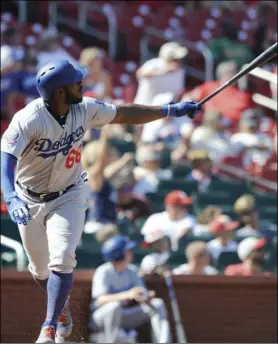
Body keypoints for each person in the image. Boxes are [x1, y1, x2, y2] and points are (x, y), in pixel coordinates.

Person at [0, 59, 200, 343]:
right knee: (40, 268)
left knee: (63, 259)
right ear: (59, 91)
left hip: (70, 193)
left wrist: (169, 111)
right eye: (76, 82)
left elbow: (125, 114)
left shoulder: (86, 108)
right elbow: (5, 157)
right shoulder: (28, 119)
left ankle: (49, 327)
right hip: (28, 197)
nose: (82, 84)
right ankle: (61, 310)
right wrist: (10, 196)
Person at [89, 234, 171, 343]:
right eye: (127, 250)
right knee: (114, 306)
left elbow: (140, 292)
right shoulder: (103, 271)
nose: (131, 252)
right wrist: (127, 294)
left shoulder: (132, 270)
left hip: (125, 315)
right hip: (101, 317)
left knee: (157, 304)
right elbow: (100, 300)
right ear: (119, 253)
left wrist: (145, 295)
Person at [182, 61, 253, 125]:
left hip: (237, 128)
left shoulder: (242, 93)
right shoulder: (210, 86)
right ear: (224, 74)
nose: (236, 74)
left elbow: (250, 111)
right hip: (213, 125)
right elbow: (189, 98)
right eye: (233, 72)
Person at [134, 41, 188, 105]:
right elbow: (140, 74)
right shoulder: (154, 63)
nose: (179, 60)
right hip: (143, 106)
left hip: (164, 110)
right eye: (176, 58)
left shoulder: (180, 71)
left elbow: (178, 92)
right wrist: (162, 71)